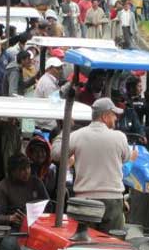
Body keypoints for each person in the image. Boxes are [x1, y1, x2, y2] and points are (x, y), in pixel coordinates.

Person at [51, 97, 134, 233]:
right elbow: (126, 158)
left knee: (84, 245)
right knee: (112, 245)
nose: (116, 118)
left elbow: (55, 154)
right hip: (112, 202)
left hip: (84, 201)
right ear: (105, 116)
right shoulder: (119, 137)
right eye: (114, 115)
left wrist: (65, 130)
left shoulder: (77, 135)